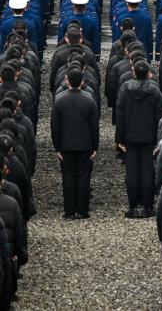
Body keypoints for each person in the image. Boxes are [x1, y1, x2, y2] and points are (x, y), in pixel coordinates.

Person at [115, 60, 162, 218]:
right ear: (149, 74)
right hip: (149, 138)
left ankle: (133, 205)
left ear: (133, 72)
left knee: (131, 172)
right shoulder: (155, 92)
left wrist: (119, 139)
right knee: (147, 172)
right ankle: (148, 206)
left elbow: (120, 115)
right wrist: (158, 140)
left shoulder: (125, 89)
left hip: (129, 137)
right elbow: (160, 117)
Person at [51, 68, 99, 220]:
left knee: (68, 177)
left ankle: (69, 210)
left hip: (66, 145)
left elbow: (55, 127)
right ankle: (83, 210)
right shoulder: (89, 100)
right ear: (82, 81)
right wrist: (95, 146)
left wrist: (57, 147)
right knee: (84, 177)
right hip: (85, 144)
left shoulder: (59, 100)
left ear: (67, 80)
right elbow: (94, 126)